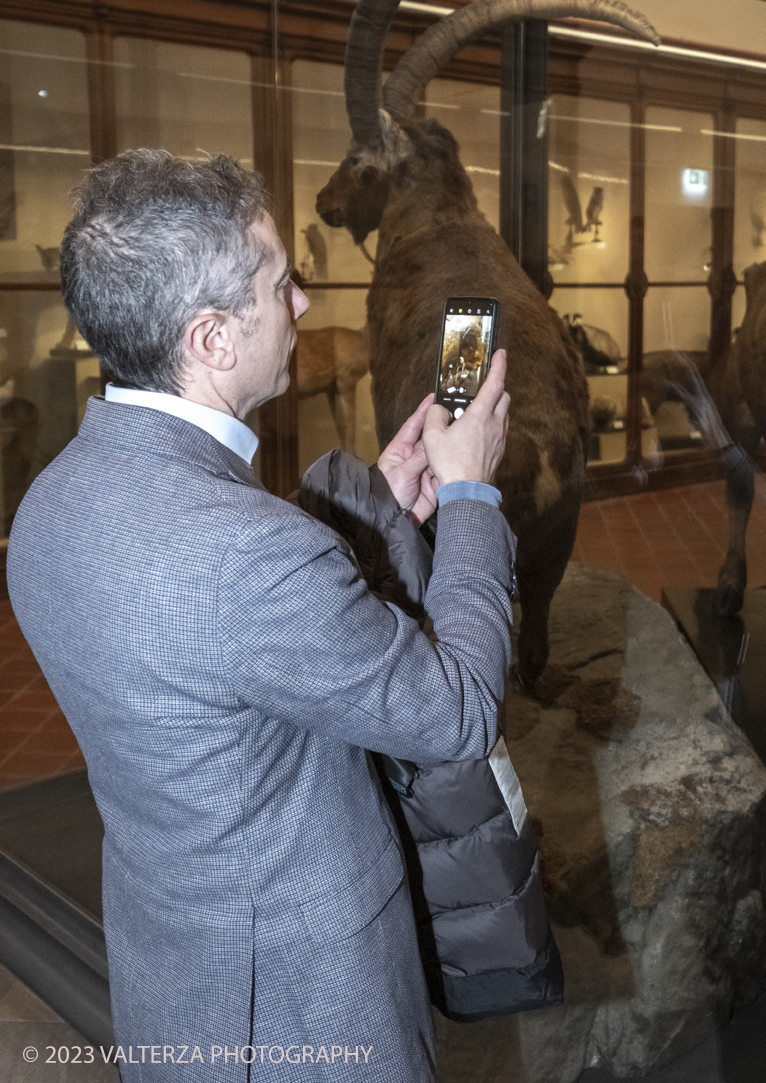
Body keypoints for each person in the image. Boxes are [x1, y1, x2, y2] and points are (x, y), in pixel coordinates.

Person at [7, 150, 515, 1082]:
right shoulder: (251, 554)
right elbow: (458, 713)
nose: (303, 306)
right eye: (281, 285)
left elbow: (216, 648)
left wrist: (381, 513)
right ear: (210, 338)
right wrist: (473, 493)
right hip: (305, 1003)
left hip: (177, 968)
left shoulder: (50, 504)